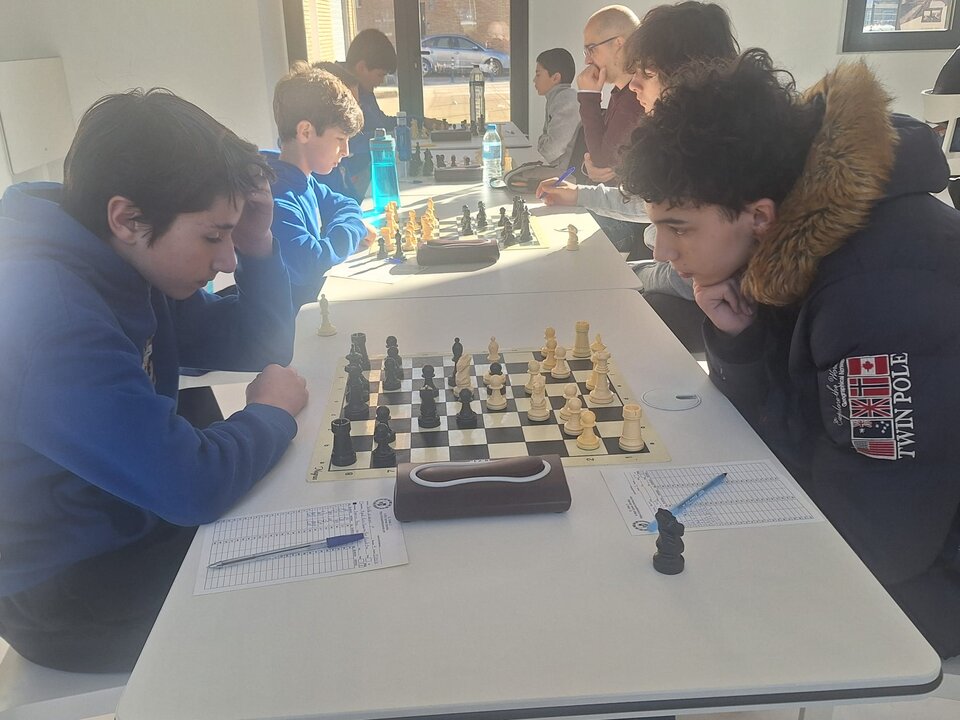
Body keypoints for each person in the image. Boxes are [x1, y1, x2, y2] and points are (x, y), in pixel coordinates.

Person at [620, 48, 960, 658]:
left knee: (665, 623)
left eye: (679, 227)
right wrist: (742, 341)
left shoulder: (880, 292)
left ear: (758, 216)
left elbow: (880, 538)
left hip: (925, 575)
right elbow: (789, 425)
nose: (662, 251)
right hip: (869, 524)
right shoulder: (791, 242)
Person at [0, 89, 309, 672]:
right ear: (128, 218)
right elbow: (191, 487)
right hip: (70, 589)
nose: (227, 261)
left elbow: (256, 346)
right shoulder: (48, 311)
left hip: (133, 514)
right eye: (213, 236)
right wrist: (269, 414)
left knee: (301, 514)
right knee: (310, 592)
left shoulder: (120, 259)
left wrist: (256, 242)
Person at [538, 1, 740, 349]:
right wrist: (581, 191)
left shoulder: (706, 155)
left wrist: (631, 272)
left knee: (596, 305)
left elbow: (684, 276)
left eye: (646, 73)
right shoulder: (686, 135)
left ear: (683, 78)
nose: (634, 85)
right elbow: (642, 200)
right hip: (679, 283)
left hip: (694, 298)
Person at [266, 62, 367, 308]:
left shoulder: (304, 180)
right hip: (291, 323)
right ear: (305, 132)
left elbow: (345, 204)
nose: (346, 151)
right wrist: (354, 230)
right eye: (340, 139)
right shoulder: (274, 199)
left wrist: (347, 225)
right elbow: (310, 264)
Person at [575, 5, 644, 252]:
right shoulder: (619, 93)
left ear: (618, 44)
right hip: (613, 203)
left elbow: (602, 161)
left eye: (591, 49)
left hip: (631, 219)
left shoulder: (636, 100)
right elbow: (601, 160)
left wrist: (588, 95)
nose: (587, 60)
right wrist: (591, 166)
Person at [339, 28, 400, 200]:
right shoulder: (341, 95)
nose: (382, 81)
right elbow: (349, 142)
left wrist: (411, 122)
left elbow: (380, 122)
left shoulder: (365, 90)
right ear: (361, 67)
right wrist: (384, 139)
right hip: (351, 179)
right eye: (380, 74)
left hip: (369, 172)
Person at [534, 48, 581, 169]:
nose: (534, 80)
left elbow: (550, 151)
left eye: (538, 74)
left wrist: (542, 141)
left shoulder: (566, 99)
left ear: (555, 78)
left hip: (563, 173)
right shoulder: (556, 98)